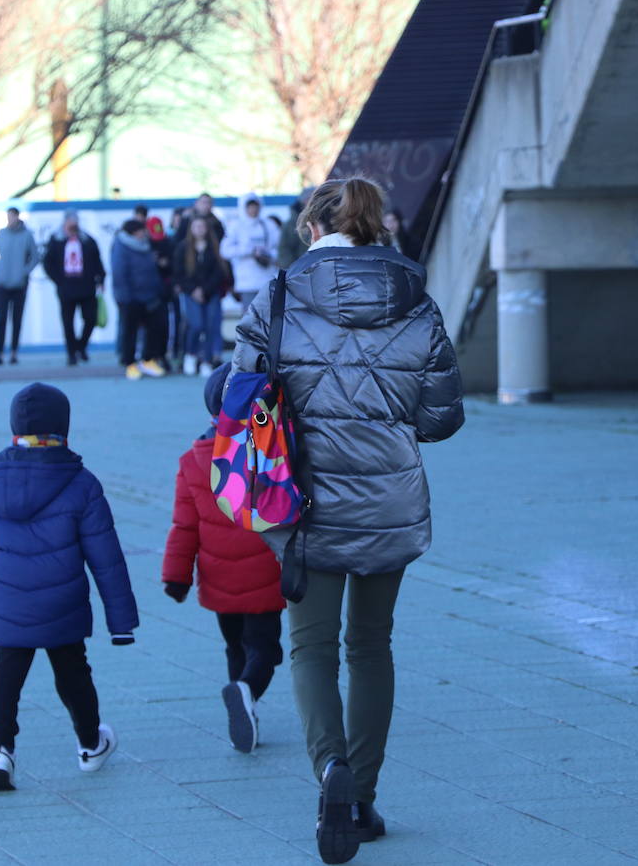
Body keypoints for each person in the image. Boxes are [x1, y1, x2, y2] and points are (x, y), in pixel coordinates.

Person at [231, 177, 464, 864]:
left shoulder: (276, 299)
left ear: (311, 229)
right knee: (371, 646)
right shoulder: (418, 305)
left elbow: (240, 395)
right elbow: (442, 416)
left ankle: (328, 769)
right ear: (377, 228)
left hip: (303, 503)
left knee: (310, 648)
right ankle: (360, 798)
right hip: (390, 500)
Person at [0, 382, 139, 791]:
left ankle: (0, 750)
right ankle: (91, 744)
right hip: (63, 602)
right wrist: (121, 621)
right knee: (73, 672)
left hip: (8, 601)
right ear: (64, 428)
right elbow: (106, 557)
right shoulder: (82, 484)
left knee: (7, 674)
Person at [162, 364, 285, 752]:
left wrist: (176, 576)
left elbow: (184, 526)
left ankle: (244, 706)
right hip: (265, 571)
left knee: (236, 647)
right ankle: (246, 693)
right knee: (265, 649)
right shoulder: (271, 451)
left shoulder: (192, 461)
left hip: (218, 578)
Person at [43, 211, 105, 366]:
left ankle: (81, 346)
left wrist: (100, 278)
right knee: (68, 323)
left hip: (86, 286)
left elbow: (97, 261)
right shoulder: (55, 241)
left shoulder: (88, 241)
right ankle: (71, 353)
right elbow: (48, 263)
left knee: (90, 318)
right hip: (66, 288)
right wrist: (59, 280)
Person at [111, 218, 167, 380]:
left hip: (150, 296)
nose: (145, 233)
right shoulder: (121, 247)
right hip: (131, 298)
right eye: (142, 231)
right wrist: (126, 298)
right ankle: (130, 363)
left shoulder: (146, 245)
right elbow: (119, 273)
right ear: (133, 232)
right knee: (130, 332)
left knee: (154, 329)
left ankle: (148, 360)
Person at [0, 207, 41, 364]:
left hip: (19, 285)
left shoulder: (26, 235)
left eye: (12, 216)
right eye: (8, 217)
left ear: (17, 217)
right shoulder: (1, 234)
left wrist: (24, 271)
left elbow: (35, 257)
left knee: (17, 319)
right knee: (2, 319)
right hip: (2, 284)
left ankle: (14, 352)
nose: (10, 219)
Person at [175, 214, 226, 377]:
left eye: (202, 226)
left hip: (211, 293)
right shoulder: (183, 248)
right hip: (191, 293)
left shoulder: (215, 247)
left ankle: (206, 360)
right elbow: (179, 273)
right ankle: (190, 355)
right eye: (196, 226)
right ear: (191, 229)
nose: (199, 230)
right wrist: (193, 290)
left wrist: (206, 290)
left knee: (211, 326)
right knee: (196, 324)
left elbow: (220, 272)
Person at [223, 192, 280, 302]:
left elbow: (279, 248)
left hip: (267, 279)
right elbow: (225, 250)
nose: (253, 210)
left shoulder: (268, 225)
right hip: (246, 282)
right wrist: (249, 251)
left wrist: (267, 255)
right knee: (250, 317)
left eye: (255, 206)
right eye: (250, 207)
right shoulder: (235, 226)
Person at [147, 216, 178, 366]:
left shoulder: (168, 243)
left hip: (164, 293)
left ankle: (162, 355)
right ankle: (150, 356)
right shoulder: (144, 246)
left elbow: (174, 265)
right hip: (148, 294)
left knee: (164, 325)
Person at [278, 188, 313, 270]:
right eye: (309, 199)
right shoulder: (291, 224)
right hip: (299, 271)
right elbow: (284, 249)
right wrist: (292, 270)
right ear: (303, 201)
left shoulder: (323, 221)